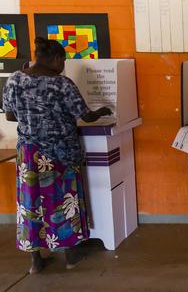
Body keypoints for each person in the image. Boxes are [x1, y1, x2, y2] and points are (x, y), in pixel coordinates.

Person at [3, 37, 112, 273]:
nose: (63, 65)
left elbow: (10, 116)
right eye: (63, 60)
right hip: (59, 153)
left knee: (31, 204)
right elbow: (86, 116)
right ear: (56, 59)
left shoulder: (15, 79)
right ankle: (71, 257)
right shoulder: (61, 84)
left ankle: (36, 262)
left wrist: (31, 117)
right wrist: (103, 109)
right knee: (63, 202)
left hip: (29, 155)